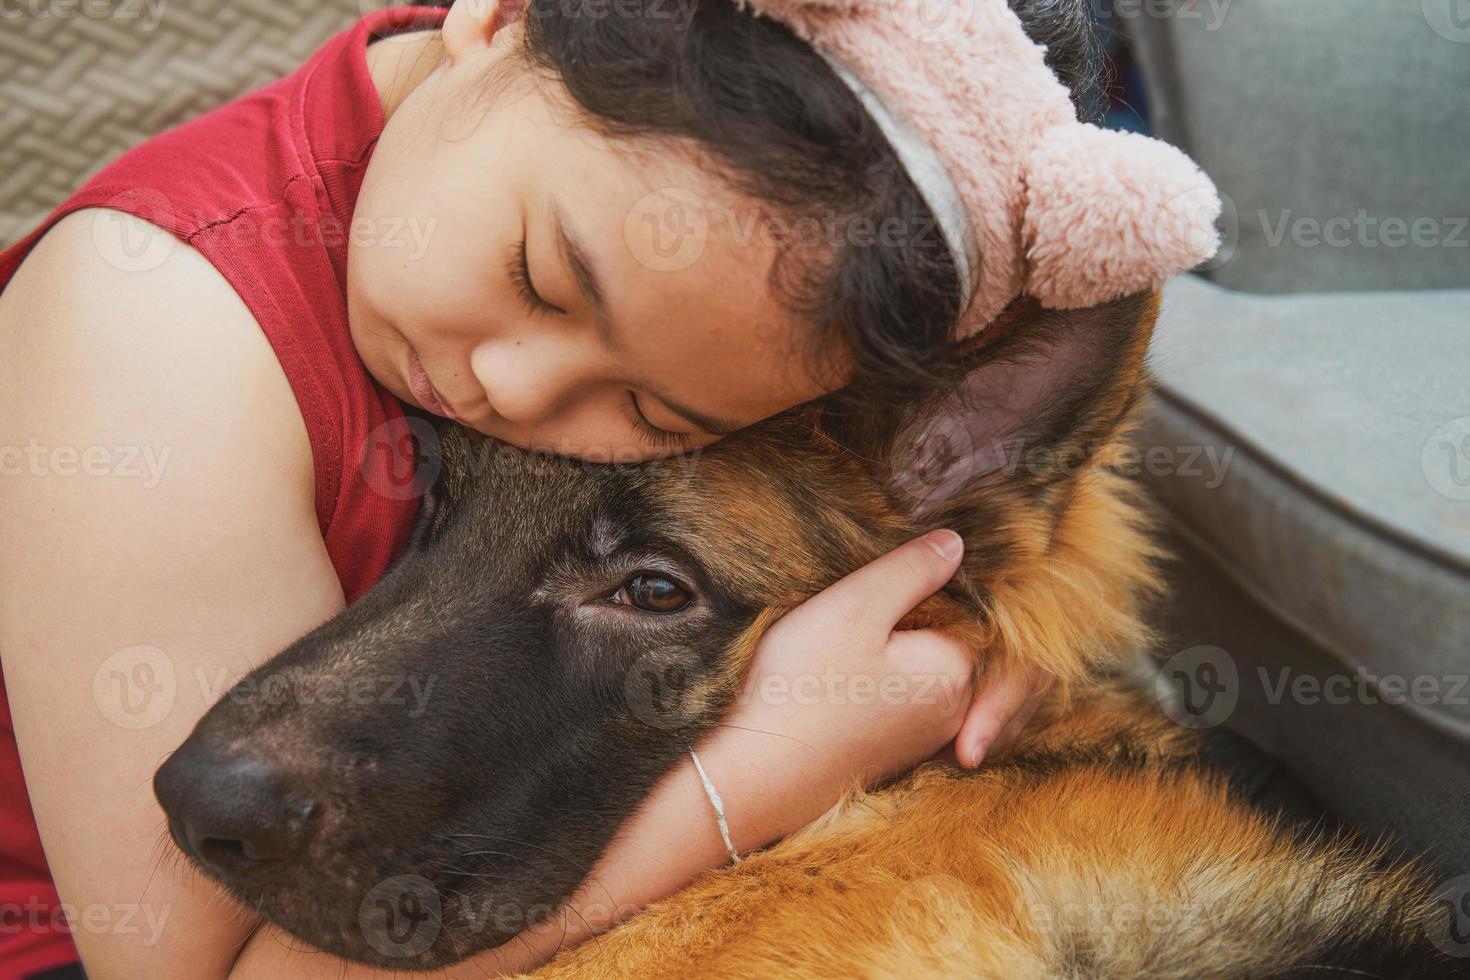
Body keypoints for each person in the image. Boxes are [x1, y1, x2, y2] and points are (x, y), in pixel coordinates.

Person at [0, 0, 1218, 975]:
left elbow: (952, 553)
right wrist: (757, 773)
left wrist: (971, 612)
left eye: (652, 415)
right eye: (540, 275)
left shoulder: (570, 171)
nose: (515, 389)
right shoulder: (146, 319)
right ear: (497, 17)